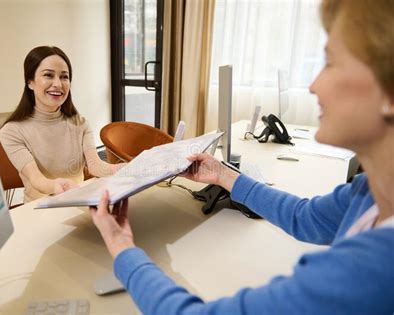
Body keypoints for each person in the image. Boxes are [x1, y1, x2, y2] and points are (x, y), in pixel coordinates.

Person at [89, 0, 394, 314]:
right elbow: (306, 218)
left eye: (331, 63)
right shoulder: (370, 192)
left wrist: (123, 248)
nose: (315, 85)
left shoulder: (372, 271)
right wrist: (224, 175)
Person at [0, 46, 122, 203]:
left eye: (64, 77)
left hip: (78, 203)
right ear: (30, 82)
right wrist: (57, 186)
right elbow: (37, 181)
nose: (58, 84)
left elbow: (95, 165)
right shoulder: (11, 131)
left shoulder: (80, 123)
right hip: (38, 209)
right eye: (48, 75)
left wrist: (119, 169)